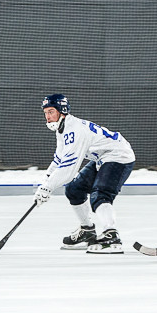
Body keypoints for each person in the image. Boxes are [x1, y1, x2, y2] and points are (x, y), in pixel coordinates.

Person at [34, 93, 136, 254]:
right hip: (103, 158)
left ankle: (112, 236)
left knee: (100, 195)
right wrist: (45, 183)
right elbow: (59, 160)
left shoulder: (74, 130)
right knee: (74, 189)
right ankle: (87, 231)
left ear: (62, 111)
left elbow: (69, 169)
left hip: (119, 156)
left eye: (51, 111)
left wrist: (48, 188)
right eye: (45, 112)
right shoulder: (62, 129)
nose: (47, 117)